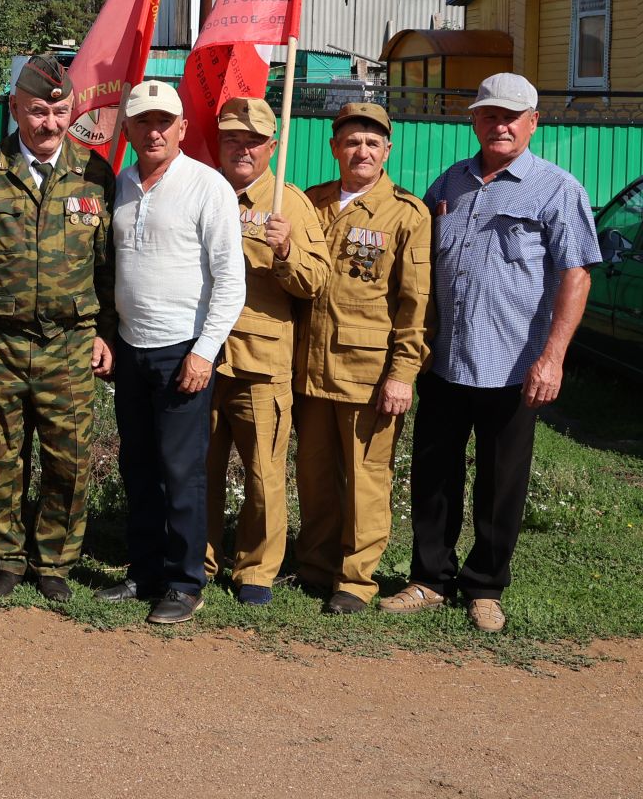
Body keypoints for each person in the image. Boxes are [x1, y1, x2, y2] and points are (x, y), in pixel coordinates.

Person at [382, 73, 598, 634]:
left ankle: (484, 586)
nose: (499, 125)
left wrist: (552, 358)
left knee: (502, 482)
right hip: (445, 360)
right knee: (434, 474)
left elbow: (576, 275)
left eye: (511, 116)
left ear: (533, 122)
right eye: (489, 115)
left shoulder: (556, 188)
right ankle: (430, 578)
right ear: (474, 120)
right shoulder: (449, 182)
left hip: (514, 366)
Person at [0, 54, 115, 601]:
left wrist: (106, 328)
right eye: (37, 111)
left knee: (69, 457)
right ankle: (7, 558)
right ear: (15, 108)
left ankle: (54, 562)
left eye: (59, 111)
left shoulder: (94, 173)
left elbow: (109, 267)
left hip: (70, 342)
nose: (49, 123)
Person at [99, 80, 243, 624]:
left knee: (182, 471)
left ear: (183, 128)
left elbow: (231, 282)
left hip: (183, 350)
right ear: (129, 129)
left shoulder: (209, 187)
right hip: (132, 349)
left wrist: (205, 351)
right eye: (143, 121)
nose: (154, 131)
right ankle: (145, 571)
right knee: (138, 466)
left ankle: (185, 582)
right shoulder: (122, 184)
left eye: (165, 122)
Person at [297, 102, 433, 614]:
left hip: (368, 374)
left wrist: (402, 374)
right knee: (312, 474)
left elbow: (415, 304)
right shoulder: (312, 203)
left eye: (372, 143)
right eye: (352, 142)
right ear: (334, 148)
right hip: (309, 368)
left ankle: (355, 580)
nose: (362, 151)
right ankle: (314, 564)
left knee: (366, 478)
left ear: (387, 151)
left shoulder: (406, 214)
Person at [204, 97, 330, 606]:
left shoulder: (290, 204)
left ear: (272, 147)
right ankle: (200, 557)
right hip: (202, 358)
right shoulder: (201, 191)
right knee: (199, 471)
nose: (243, 149)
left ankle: (255, 570)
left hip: (260, 362)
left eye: (254, 141)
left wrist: (286, 251)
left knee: (263, 476)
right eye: (233, 138)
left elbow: (316, 280)